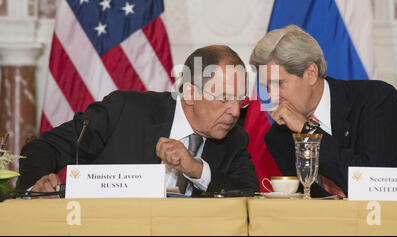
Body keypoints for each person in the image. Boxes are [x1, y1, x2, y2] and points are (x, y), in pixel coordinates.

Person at [16, 45, 259, 197]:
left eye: (241, 100)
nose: (235, 111)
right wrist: (36, 189)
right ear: (191, 94)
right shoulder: (124, 111)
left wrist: (195, 168)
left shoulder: (234, 138)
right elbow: (43, 147)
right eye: (225, 98)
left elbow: (248, 192)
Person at [249, 25, 397, 197]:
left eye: (279, 84)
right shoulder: (278, 136)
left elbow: (372, 183)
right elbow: (308, 201)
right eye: (267, 87)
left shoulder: (375, 99)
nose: (272, 97)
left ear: (310, 74)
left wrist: (307, 130)